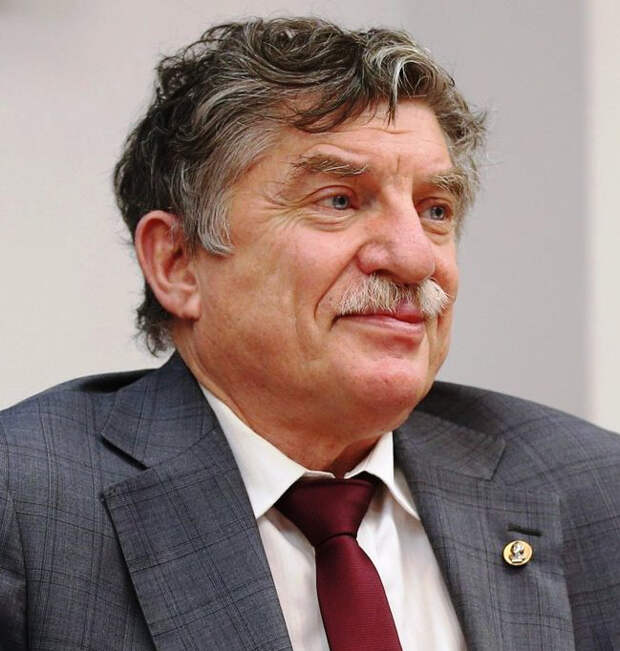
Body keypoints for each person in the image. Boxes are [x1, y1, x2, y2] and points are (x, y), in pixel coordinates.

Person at [0, 17, 618, 651]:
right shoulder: (25, 506)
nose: (415, 259)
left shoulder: (595, 490)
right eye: (339, 201)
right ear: (178, 262)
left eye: (435, 210)